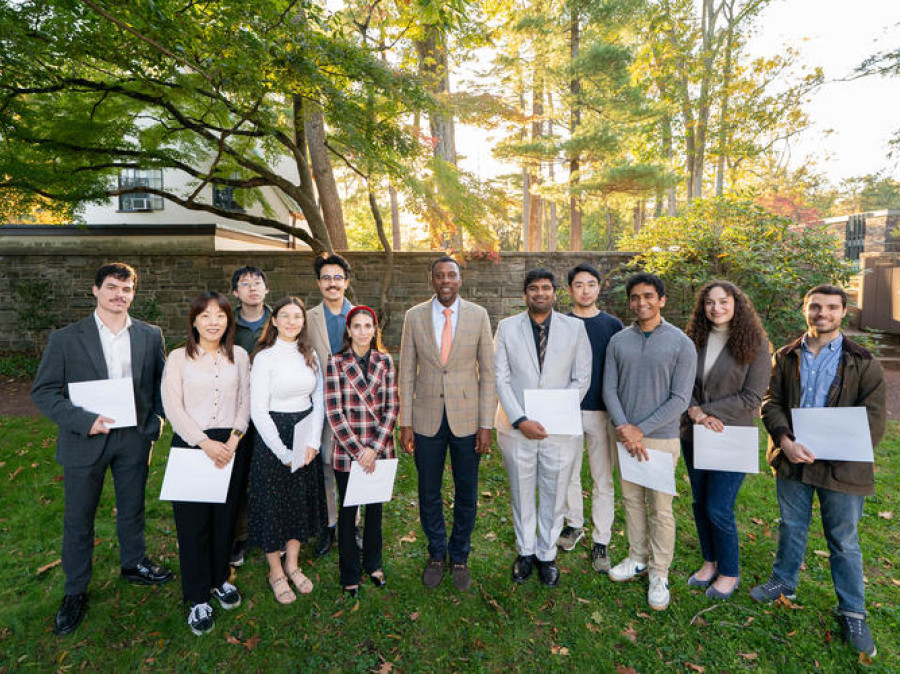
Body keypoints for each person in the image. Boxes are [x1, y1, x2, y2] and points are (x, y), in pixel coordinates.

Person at [31, 262, 172, 636]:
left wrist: (154, 423)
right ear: (95, 290)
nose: (119, 295)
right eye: (111, 287)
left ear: (133, 294)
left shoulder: (149, 334)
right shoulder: (65, 339)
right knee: (79, 519)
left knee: (133, 507)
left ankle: (133, 563)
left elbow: (161, 383)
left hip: (132, 438)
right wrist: (82, 420)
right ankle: (75, 590)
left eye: (126, 290)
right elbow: (43, 392)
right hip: (84, 440)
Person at [749, 285, 886, 658]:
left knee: (843, 540)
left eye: (830, 308)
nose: (821, 313)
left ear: (843, 312)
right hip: (794, 458)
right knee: (792, 525)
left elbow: (874, 420)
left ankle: (852, 611)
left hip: (842, 468)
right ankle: (784, 582)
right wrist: (785, 440)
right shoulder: (786, 356)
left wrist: (839, 449)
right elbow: (770, 402)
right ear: (804, 310)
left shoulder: (863, 361)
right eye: (814, 307)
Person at [399, 256, 496, 591]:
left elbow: (489, 373)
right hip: (425, 419)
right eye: (439, 275)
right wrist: (405, 421)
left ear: (460, 278)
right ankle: (437, 553)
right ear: (431, 279)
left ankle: (460, 555)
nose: (445, 280)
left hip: (468, 419)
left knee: (467, 491)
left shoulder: (478, 315)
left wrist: (487, 424)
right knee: (428, 491)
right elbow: (406, 371)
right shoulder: (414, 316)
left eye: (451, 275)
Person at [603, 272, 696, 611]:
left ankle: (659, 571)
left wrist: (640, 429)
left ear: (662, 300)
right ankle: (637, 557)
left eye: (648, 296)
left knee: (660, 508)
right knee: (631, 501)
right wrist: (625, 428)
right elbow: (609, 389)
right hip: (625, 437)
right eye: (635, 297)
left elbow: (680, 398)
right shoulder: (618, 341)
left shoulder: (681, 343)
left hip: (660, 439)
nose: (641, 303)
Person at [494, 268, 591, 587]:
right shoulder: (507, 328)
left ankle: (547, 554)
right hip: (515, 427)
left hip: (558, 429)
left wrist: (554, 414)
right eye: (533, 288)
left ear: (554, 293)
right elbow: (501, 377)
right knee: (522, 492)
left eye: (546, 288)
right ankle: (525, 552)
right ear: (525, 294)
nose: (540, 293)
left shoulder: (574, 329)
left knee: (554, 491)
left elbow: (582, 378)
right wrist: (520, 418)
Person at [161, 291, 250, 635]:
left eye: (220, 316)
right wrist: (204, 443)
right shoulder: (178, 358)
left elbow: (246, 400)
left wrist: (233, 439)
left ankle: (218, 580)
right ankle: (197, 596)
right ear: (194, 321)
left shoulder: (239, 356)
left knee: (224, 519)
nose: (214, 322)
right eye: (206, 316)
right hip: (191, 445)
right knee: (193, 524)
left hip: (230, 447)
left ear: (229, 320)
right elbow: (173, 406)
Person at [680, 281, 770, 600]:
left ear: (737, 303)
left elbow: (752, 397)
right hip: (694, 433)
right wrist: (695, 412)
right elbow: (684, 381)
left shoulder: (756, 343)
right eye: (709, 302)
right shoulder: (693, 339)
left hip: (732, 435)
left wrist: (704, 410)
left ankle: (730, 571)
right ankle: (710, 561)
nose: (716, 308)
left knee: (719, 506)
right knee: (699, 503)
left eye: (723, 301)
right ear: (702, 307)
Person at [248, 296, 327, 604]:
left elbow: (318, 399)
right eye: (286, 316)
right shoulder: (265, 357)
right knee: (273, 503)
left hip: (305, 431)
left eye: (298, 316)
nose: (293, 321)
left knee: (297, 502)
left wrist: (312, 443)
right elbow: (258, 410)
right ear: (275, 321)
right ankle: (275, 570)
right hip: (273, 437)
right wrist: (283, 452)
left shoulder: (309, 354)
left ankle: (293, 564)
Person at [325, 306, 399, 597]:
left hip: (380, 449)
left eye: (368, 326)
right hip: (348, 452)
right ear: (349, 330)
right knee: (348, 511)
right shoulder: (336, 362)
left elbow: (392, 407)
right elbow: (334, 411)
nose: (363, 331)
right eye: (357, 326)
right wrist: (359, 451)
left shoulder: (385, 360)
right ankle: (349, 573)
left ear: (375, 329)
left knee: (375, 511)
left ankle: (373, 563)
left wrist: (375, 448)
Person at [556, 263, 624, 574]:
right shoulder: (559, 324)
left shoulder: (613, 326)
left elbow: (622, 369)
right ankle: (574, 524)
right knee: (567, 474)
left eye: (591, 284)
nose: (585, 290)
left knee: (602, 478)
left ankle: (601, 540)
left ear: (599, 288)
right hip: (567, 410)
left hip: (601, 411)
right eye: (579, 284)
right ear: (569, 290)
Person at [307, 253, 353, 558]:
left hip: (354, 406)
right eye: (326, 278)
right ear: (319, 283)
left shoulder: (362, 315)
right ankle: (329, 525)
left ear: (346, 282)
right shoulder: (307, 318)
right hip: (320, 405)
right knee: (325, 465)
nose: (332, 283)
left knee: (354, 466)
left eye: (338, 277)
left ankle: (354, 525)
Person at [228, 265, 271, 567]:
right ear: (236, 292)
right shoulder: (226, 323)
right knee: (238, 474)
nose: (252, 288)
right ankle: (239, 536)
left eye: (257, 283)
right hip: (236, 409)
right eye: (245, 284)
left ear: (266, 289)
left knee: (270, 474)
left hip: (273, 409)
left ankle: (270, 530)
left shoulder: (280, 320)